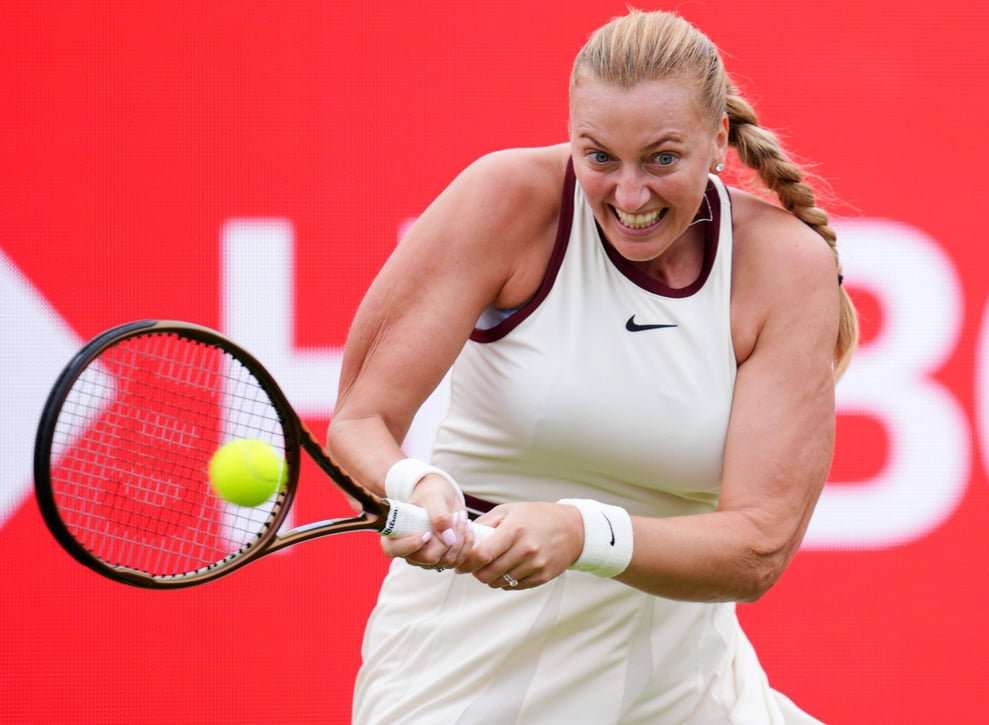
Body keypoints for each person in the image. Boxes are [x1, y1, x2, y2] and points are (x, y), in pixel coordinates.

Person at [328, 8, 857, 723]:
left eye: (662, 159)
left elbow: (758, 546)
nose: (628, 196)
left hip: (684, 692)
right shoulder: (504, 200)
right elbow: (361, 420)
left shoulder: (787, 265)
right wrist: (411, 480)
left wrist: (582, 531)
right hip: (458, 679)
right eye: (599, 156)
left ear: (718, 140)